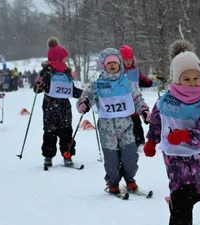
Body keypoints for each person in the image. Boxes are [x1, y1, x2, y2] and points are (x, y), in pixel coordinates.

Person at [143, 39, 200, 225]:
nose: (193, 82)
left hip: (198, 153)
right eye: (186, 78)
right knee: (182, 190)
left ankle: (181, 207)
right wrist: (151, 140)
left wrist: (186, 134)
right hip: (174, 153)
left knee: (199, 189)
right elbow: (156, 119)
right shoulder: (166, 101)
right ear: (176, 79)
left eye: (196, 78)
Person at [76, 48, 151, 194]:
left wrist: (144, 110)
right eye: (108, 62)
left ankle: (130, 179)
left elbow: (138, 99)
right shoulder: (98, 84)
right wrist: (84, 103)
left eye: (114, 62)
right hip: (106, 129)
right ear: (103, 65)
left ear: (120, 64)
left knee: (130, 157)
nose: (111, 65)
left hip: (126, 127)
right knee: (112, 161)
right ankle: (113, 181)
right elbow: (87, 96)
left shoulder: (127, 83)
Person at [32, 37, 83, 167]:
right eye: (65, 58)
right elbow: (37, 89)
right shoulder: (47, 71)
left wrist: (83, 94)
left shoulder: (66, 72)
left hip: (64, 108)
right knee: (50, 133)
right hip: (50, 108)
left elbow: (70, 89)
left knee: (66, 133)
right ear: (58, 58)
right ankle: (48, 157)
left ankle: (67, 155)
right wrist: (38, 85)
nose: (66, 60)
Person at [120, 44, 155, 149]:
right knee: (124, 124)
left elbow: (142, 80)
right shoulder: (119, 71)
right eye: (125, 59)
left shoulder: (135, 70)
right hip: (122, 102)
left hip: (134, 101)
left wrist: (151, 83)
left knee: (136, 123)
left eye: (130, 59)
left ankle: (140, 142)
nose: (128, 61)